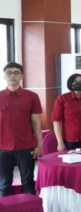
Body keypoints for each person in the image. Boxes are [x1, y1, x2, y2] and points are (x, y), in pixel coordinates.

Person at [0, 62, 43, 196]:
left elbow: (36, 122)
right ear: (4, 76)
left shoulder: (32, 97)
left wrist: (40, 145)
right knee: (4, 184)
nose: (12, 76)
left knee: (28, 182)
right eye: (9, 73)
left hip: (26, 147)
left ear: (22, 76)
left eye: (16, 73)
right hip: (2, 148)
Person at [51, 73, 81, 150]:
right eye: (75, 81)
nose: (78, 83)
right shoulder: (62, 99)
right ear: (70, 83)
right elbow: (56, 121)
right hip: (69, 140)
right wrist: (60, 142)